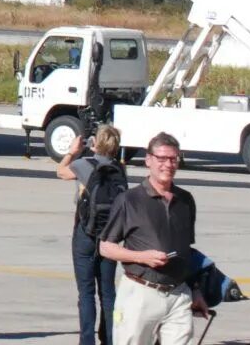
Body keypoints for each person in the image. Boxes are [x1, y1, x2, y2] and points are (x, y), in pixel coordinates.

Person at [100, 132, 198, 345]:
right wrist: (142, 257)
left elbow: (187, 251)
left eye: (173, 159)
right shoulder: (129, 200)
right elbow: (106, 247)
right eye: (161, 159)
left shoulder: (186, 200)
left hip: (178, 294)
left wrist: (196, 290)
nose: (168, 164)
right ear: (148, 160)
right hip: (140, 292)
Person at [59, 122, 124, 345]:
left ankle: (87, 341)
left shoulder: (84, 164)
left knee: (86, 293)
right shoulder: (119, 168)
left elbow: (60, 171)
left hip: (85, 233)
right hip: (110, 235)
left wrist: (72, 151)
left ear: (95, 144)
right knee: (108, 292)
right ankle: (110, 338)